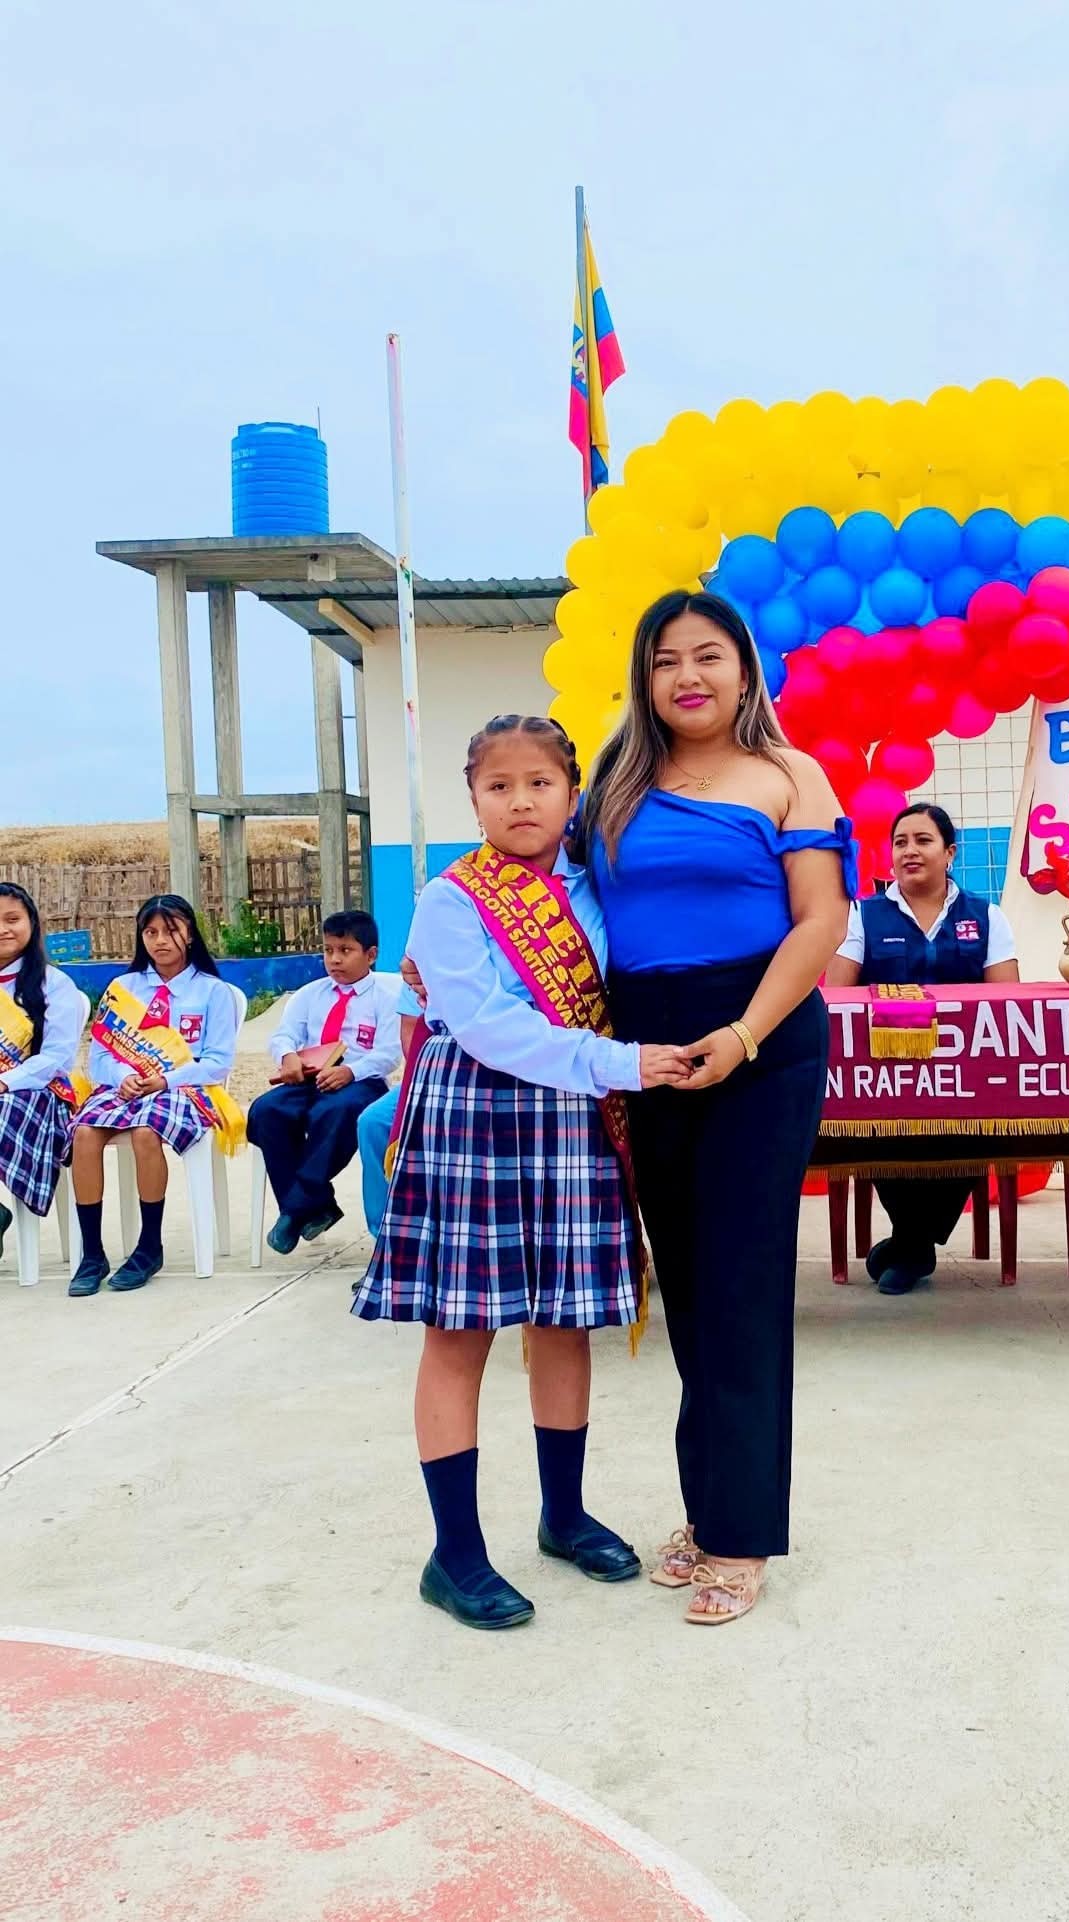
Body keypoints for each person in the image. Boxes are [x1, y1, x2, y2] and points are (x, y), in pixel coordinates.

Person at [355, 713, 691, 1632]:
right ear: (472, 799)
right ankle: (454, 1552)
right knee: (460, 1330)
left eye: (539, 783)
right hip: (477, 1112)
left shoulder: (596, 887)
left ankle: (563, 1514)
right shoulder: (451, 899)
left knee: (562, 1320)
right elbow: (490, 1026)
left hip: (572, 1116)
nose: (519, 801)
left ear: (571, 793)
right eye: (497, 786)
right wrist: (623, 1065)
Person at [581, 588, 854, 1625]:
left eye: (707, 655)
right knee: (689, 1288)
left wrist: (742, 1035)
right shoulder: (615, 780)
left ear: (743, 668)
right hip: (645, 1045)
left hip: (761, 1037)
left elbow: (820, 918)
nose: (686, 675)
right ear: (643, 679)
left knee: (741, 1285)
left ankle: (740, 1535)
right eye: (664, 660)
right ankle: (708, 1508)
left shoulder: (789, 773)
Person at [826, 803, 1019, 1295]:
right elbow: (837, 997)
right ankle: (914, 1245)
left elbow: (1005, 1000)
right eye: (900, 842)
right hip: (885, 1073)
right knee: (876, 1132)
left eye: (923, 840)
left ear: (950, 852)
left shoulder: (988, 916)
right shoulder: (861, 915)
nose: (909, 851)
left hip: (966, 1075)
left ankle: (910, 1245)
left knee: (983, 1125)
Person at [69, 894, 242, 1296]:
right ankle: (92, 1253)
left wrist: (165, 1080)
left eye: (171, 930)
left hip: (185, 1089)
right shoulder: (123, 988)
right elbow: (99, 1057)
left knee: (147, 1131)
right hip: (125, 1087)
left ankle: (149, 1246)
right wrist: (125, 1076)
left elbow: (217, 1062)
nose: (160, 940)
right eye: (151, 932)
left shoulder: (213, 991)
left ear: (190, 934)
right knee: (84, 1134)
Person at [248, 910, 400, 1255]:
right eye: (328, 950)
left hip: (360, 1081)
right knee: (265, 1111)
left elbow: (389, 1053)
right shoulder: (309, 994)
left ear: (371, 955)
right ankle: (316, 1205)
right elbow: (284, 1035)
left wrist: (351, 1072)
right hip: (309, 1077)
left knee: (333, 1113)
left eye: (345, 950)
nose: (335, 959)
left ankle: (294, 1211)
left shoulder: (386, 998)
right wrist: (287, 1055)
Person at [0, 883, 84, 1255]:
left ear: (32, 923)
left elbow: (57, 1058)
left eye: (12, 919)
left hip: (39, 1093)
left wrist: (6, 1082)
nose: (3, 929)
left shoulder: (54, 984)